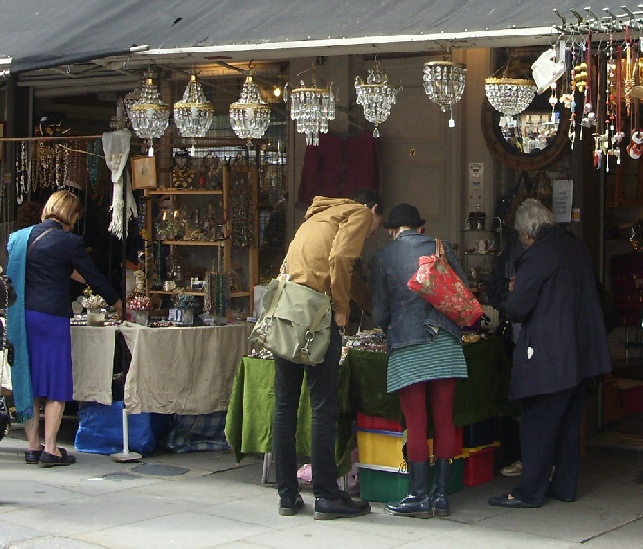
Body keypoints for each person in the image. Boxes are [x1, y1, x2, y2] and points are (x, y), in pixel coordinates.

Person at [488, 199, 611, 508]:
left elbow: (517, 308)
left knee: (538, 425)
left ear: (527, 233)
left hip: (551, 355)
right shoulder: (575, 248)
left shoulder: (539, 254)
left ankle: (530, 491)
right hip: (582, 353)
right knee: (569, 426)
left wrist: (510, 292)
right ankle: (565, 486)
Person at [272, 189, 383, 520]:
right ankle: (326, 496)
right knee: (323, 407)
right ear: (374, 210)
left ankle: (287, 497)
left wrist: (370, 305)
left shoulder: (319, 215)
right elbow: (340, 261)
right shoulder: (359, 213)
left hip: (286, 306)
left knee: (284, 406)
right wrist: (340, 309)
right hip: (316, 312)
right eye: (376, 227)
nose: (372, 233)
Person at [7, 190, 123, 467]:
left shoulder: (21, 238)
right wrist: (116, 301)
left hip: (24, 317)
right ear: (71, 216)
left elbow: (37, 270)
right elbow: (92, 276)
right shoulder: (69, 242)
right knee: (57, 384)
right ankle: (51, 449)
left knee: (31, 381)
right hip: (53, 318)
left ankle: (33, 446)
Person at [369, 203, 469, 519]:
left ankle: (418, 495)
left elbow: (380, 313)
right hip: (446, 343)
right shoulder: (442, 247)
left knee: (416, 423)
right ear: (421, 228)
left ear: (391, 231)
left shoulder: (383, 257)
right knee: (443, 419)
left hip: (408, 344)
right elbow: (463, 290)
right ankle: (440, 496)